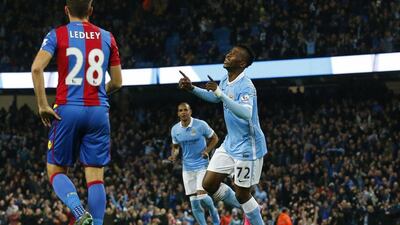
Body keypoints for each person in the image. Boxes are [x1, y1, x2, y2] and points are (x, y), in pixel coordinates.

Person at [31, 0, 122, 224]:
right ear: (91, 11)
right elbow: (118, 82)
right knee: (95, 176)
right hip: (98, 111)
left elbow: (36, 68)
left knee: (55, 170)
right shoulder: (107, 36)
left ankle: (80, 214)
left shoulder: (57, 34)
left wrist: (42, 105)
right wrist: (99, 94)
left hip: (67, 109)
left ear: (66, 10)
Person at [179, 45, 267, 225]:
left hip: (248, 147)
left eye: (233, 54)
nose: (228, 55)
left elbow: (246, 113)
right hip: (230, 143)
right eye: (229, 52)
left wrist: (220, 93)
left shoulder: (246, 86)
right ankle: (251, 209)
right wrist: (192, 89)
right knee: (208, 184)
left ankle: (253, 215)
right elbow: (216, 98)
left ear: (242, 63)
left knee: (242, 193)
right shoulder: (226, 80)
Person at [169, 102, 220, 225]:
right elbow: (175, 146)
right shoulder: (175, 129)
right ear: (178, 113)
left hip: (202, 164)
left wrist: (207, 151)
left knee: (201, 196)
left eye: (185, 110)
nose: (183, 112)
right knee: (194, 202)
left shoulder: (200, 125)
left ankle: (213, 210)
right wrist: (174, 155)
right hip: (187, 168)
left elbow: (215, 138)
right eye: (180, 110)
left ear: (190, 111)